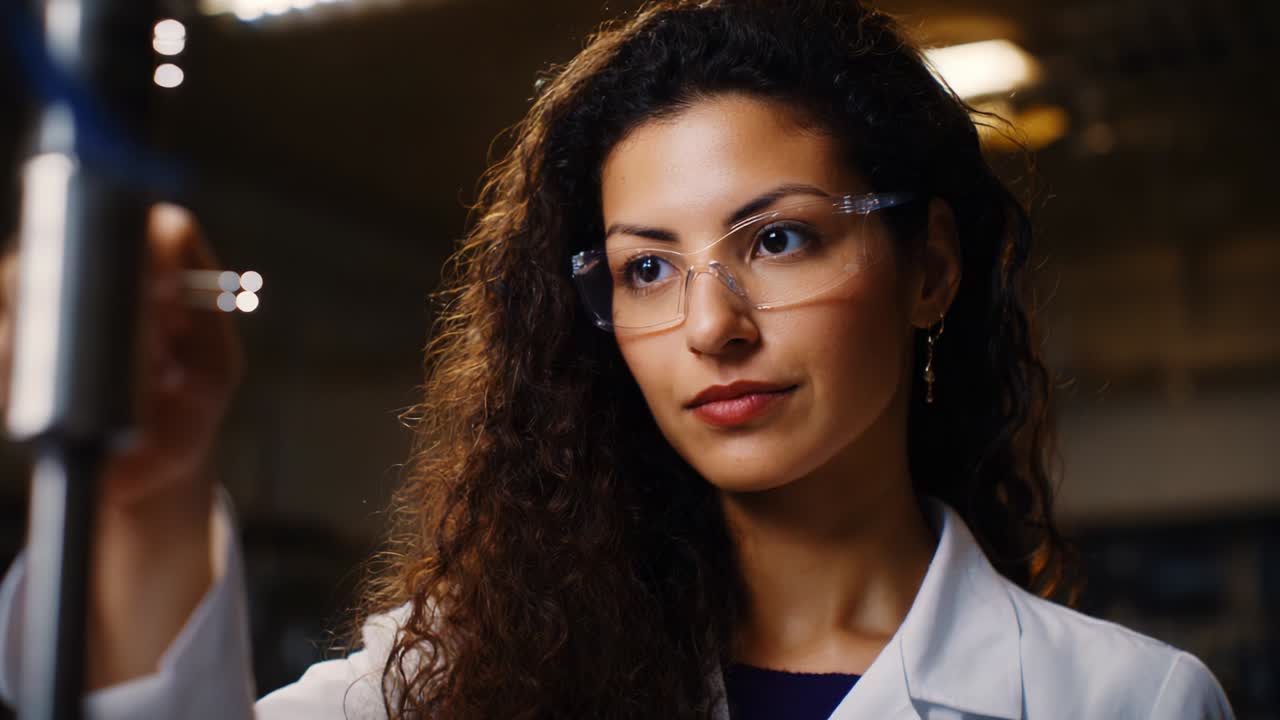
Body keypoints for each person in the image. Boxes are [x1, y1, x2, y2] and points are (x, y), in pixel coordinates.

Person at [0, 0, 1237, 718]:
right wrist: (146, 493)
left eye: (780, 239)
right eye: (647, 267)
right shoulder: (453, 678)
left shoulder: (1121, 702)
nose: (711, 327)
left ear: (929, 269)